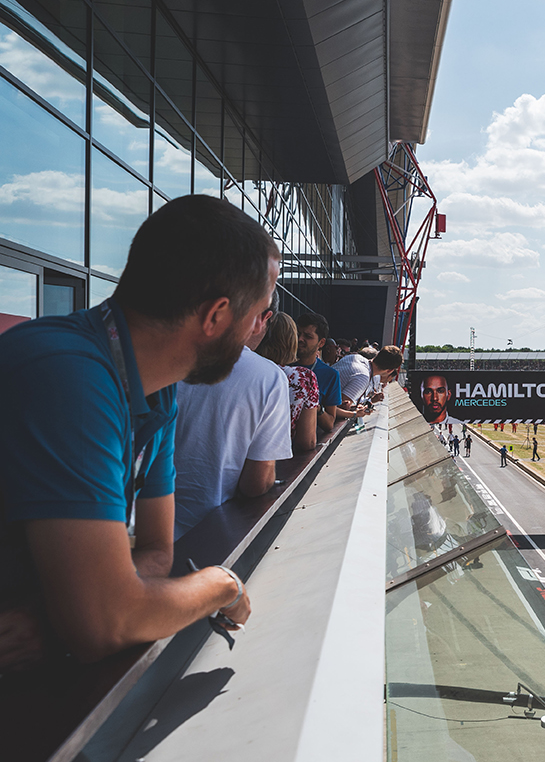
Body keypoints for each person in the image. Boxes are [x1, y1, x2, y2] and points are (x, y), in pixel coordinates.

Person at [0, 195, 270, 671]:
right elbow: (108, 624)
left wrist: (66, 613)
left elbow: (155, 551)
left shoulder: (155, 392)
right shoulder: (71, 378)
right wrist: (222, 584)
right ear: (215, 317)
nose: (256, 331)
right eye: (257, 314)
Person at [171, 295, 292, 538]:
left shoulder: (165, 357)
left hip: (129, 534)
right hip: (206, 536)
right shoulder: (268, 378)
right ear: (264, 318)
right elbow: (256, 484)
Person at [255, 312, 320, 453]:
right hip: (274, 462)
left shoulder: (236, 368)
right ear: (291, 341)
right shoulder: (304, 378)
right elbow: (307, 442)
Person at [296, 312, 365, 432]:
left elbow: (329, 423)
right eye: (298, 334)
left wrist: (315, 406)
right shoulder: (281, 367)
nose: (300, 339)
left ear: (321, 343)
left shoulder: (330, 375)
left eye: (307, 336)